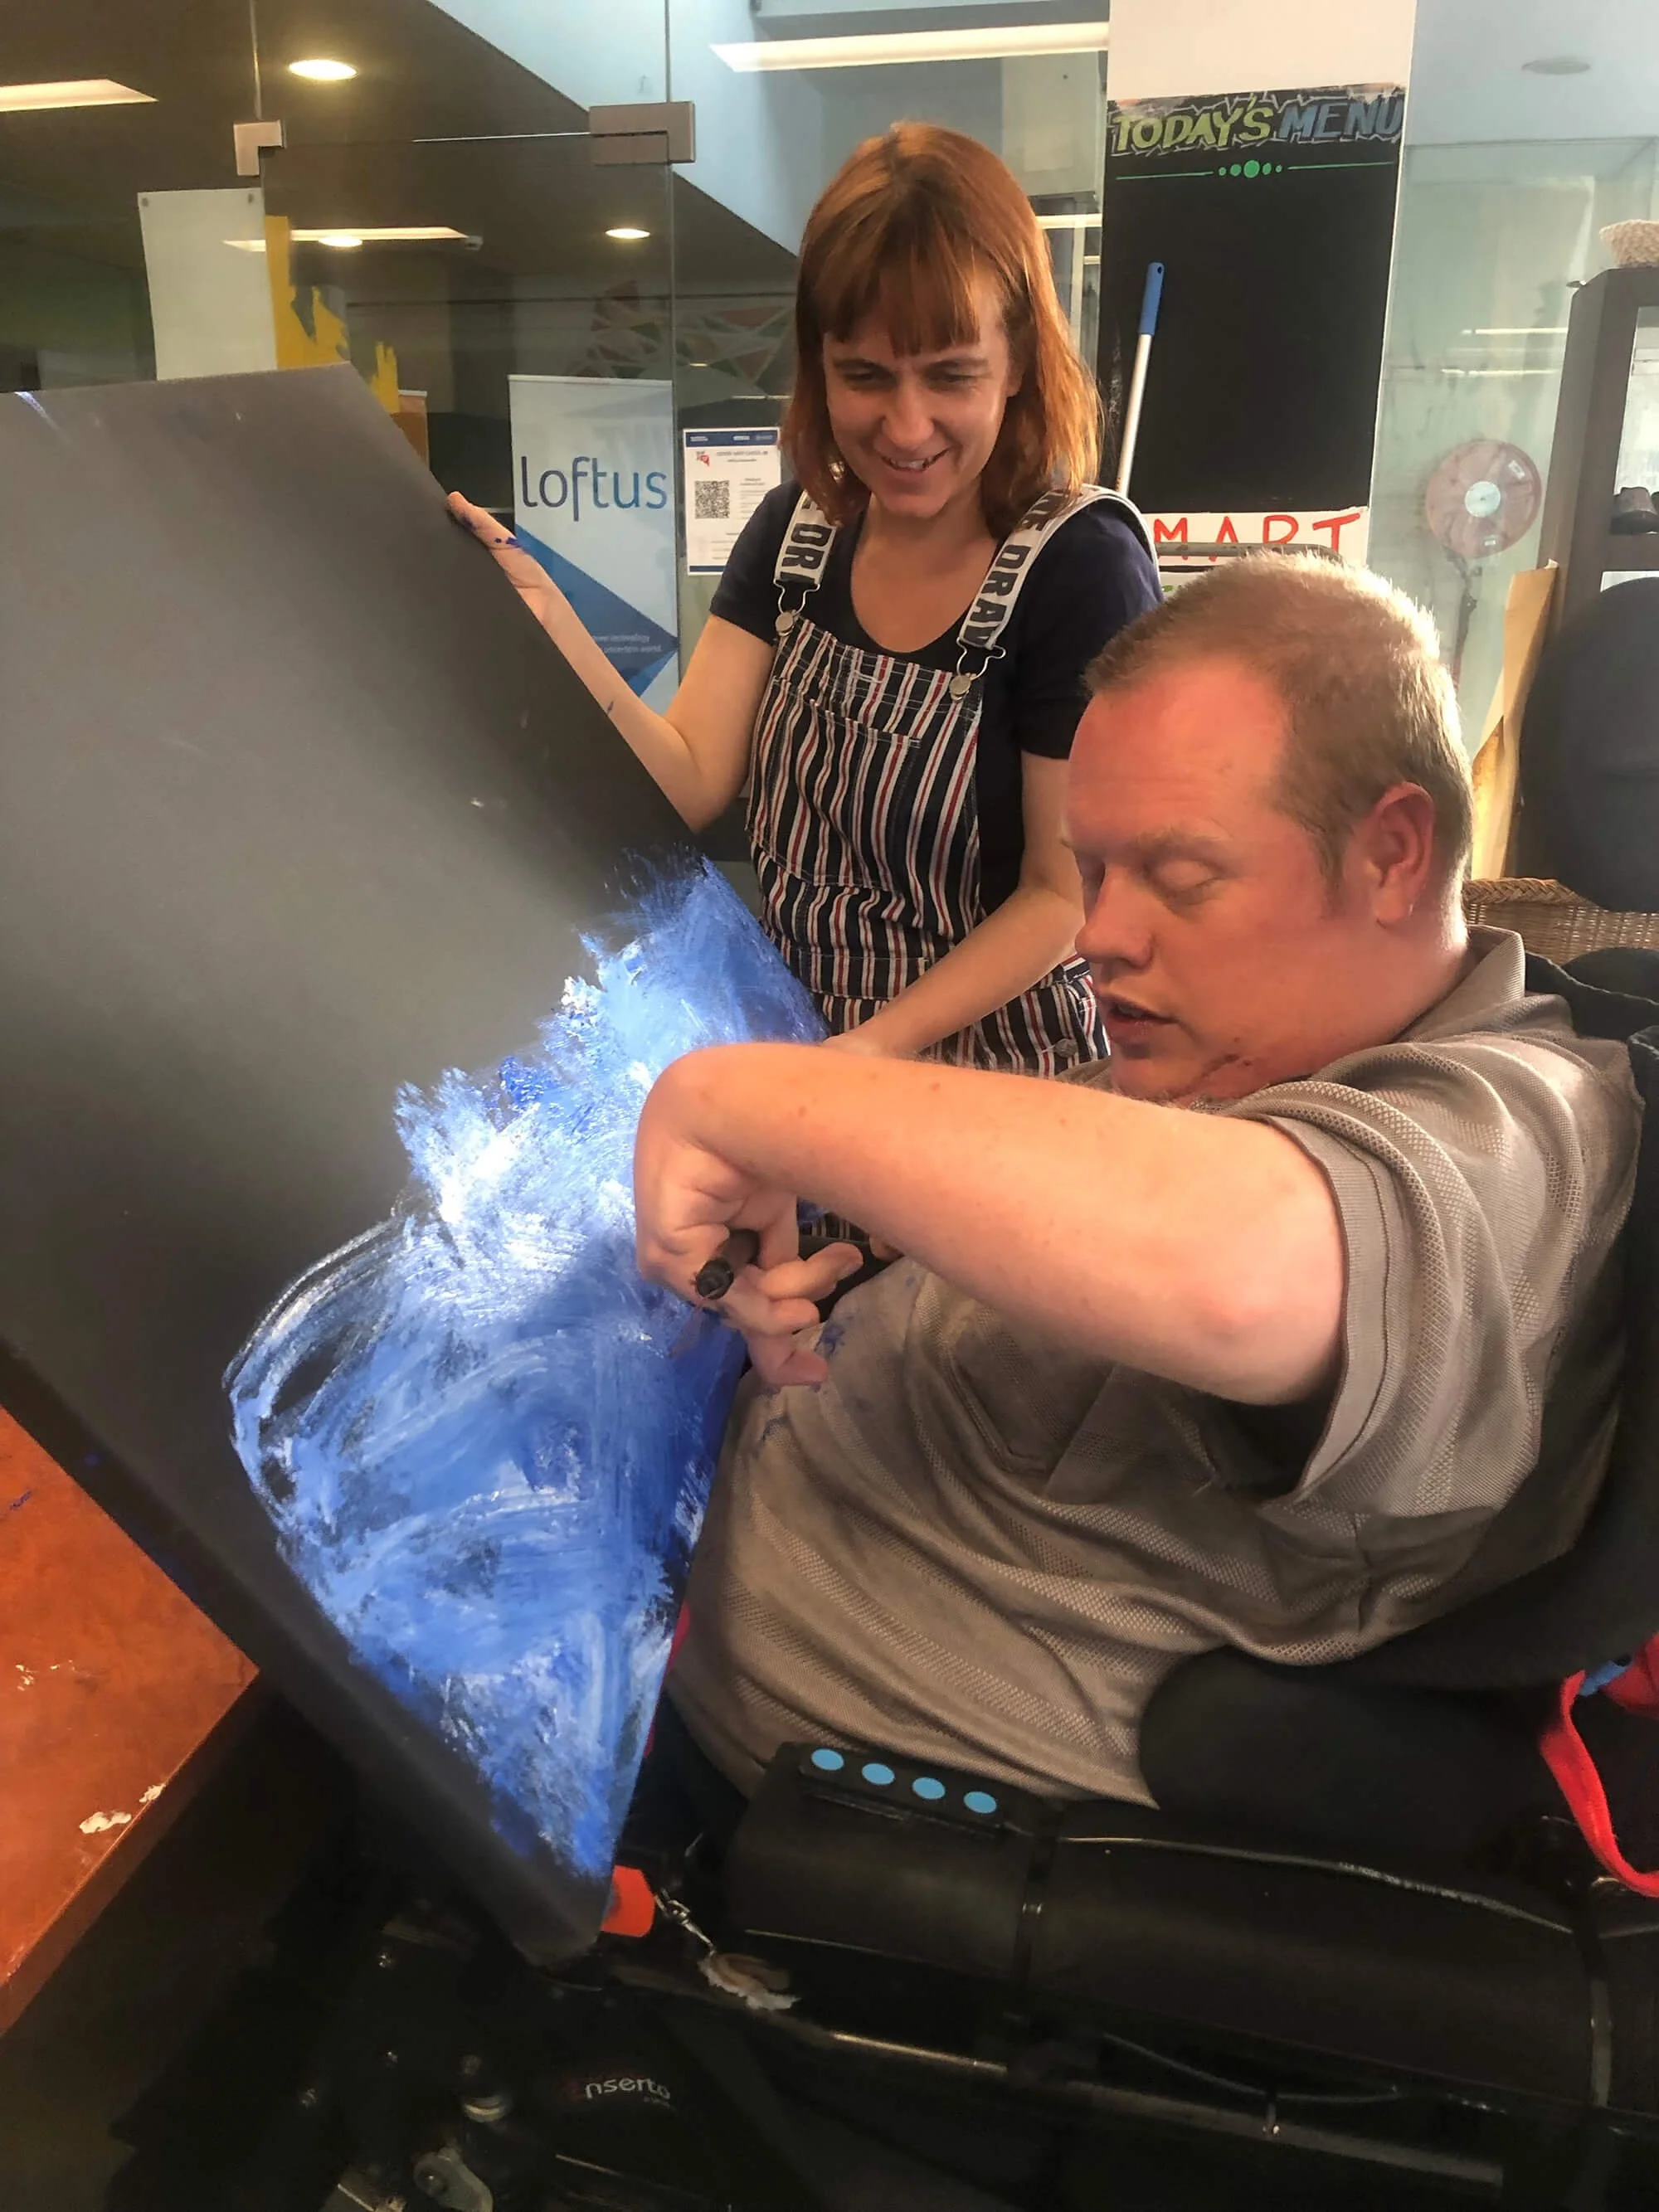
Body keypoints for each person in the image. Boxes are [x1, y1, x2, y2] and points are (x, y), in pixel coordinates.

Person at [630, 554, 1643, 1808]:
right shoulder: (1247, 1055)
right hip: (661, 1552)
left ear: (1391, 852)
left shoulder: (1522, 1126)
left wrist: (752, 1101)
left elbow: (1245, 1270)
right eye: (1095, 870)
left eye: (1177, 875)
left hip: (746, 1820)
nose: (1103, 932)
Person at [452, 124, 1160, 1073]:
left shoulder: (1080, 568)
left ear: (1020, 361)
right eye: (863, 376)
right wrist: (552, 626)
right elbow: (691, 776)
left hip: (1002, 1092)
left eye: (950, 375)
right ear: (817, 363)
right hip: (808, 1065)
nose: (905, 427)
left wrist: (864, 1053)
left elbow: (1059, 897)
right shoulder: (796, 533)